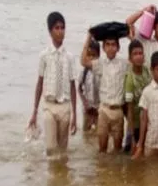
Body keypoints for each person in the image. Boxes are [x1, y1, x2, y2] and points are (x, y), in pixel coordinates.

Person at [27, 11, 78, 156]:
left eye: (62, 28)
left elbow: (73, 86)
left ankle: (61, 176)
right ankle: (53, 177)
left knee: (62, 149)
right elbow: (40, 83)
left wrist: (75, 114)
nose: (60, 31)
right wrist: (34, 111)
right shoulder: (44, 55)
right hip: (49, 106)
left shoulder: (69, 57)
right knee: (50, 148)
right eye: (57, 28)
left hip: (65, 106)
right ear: (50, 31)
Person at [81, 32, 128, 153]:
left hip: (118, 111)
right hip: (104, 110)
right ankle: (102, 171)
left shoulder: (123, 64)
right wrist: (88, 38)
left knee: (117, 150)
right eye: (107, 44)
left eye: (113, 45)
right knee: (102, 150)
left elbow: (139, 63)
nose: (111, 47)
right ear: (103, 47)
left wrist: (132, 38)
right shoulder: (100, 63)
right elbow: (83, 61)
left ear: (118, 48)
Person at [123, 39, 152, 153]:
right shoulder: (130, 79)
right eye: (135, 54)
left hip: (146, 122)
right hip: (134, 123)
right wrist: (132, 135)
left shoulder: (146, 71)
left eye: (140, 53)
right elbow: (128, 108)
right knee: (131, 152)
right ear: (130, 59)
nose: (139, 56)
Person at [78, 40, 101, 133]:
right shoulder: (84, 72)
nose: (91, 58)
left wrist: (99, 106)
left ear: (99, 56)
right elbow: (79, 89)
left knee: (99, 132)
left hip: (99, 109)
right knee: (86, 133)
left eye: (94, 55)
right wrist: (85, 103)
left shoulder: (100, 72)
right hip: (87, 109)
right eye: (89, 55)